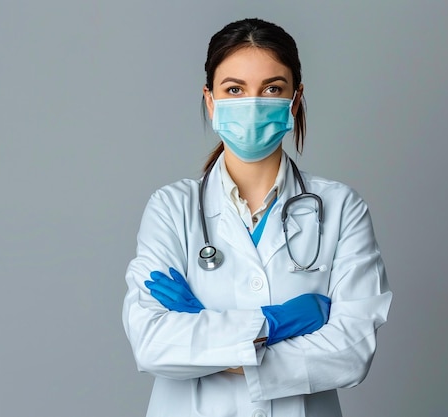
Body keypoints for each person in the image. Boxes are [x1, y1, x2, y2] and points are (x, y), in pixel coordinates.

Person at [122, 18, 392, 417]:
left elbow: (350, 352)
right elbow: (152, 344)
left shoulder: (340, 207)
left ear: (295, 100)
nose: (252, 103)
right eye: (234, 89)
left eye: (272, 89)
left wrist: (206, 329)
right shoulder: (171, 208)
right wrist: (275, 322)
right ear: (210, 100)